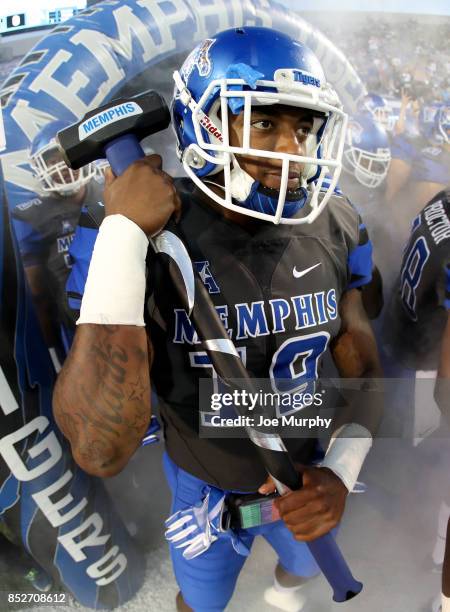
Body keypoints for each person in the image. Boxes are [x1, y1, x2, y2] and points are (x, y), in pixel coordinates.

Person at [53, 27, 383, 612]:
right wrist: (125, 233)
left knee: (303, 565)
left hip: (306, 476)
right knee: (201, 602)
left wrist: (341, 465)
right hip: (205, 487)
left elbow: (363, 361)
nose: (292, 150)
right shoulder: (136, 233)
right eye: (263, 122)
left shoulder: (338, 221)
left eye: (303, 128)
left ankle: (283, 598)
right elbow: (99, 449)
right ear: (204, 123)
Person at [383, 188, 450, 612]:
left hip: (399, 329)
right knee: (431, 461)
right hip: (422, 360)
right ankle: (428, 550)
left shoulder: (443, 198)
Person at [11, 119, 104, 366]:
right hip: (78, 327)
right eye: (52, 161)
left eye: (65, 158)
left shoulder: (114, 191)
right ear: (40, 167)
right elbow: (38, 294)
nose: (60, 166)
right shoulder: (32, 217)